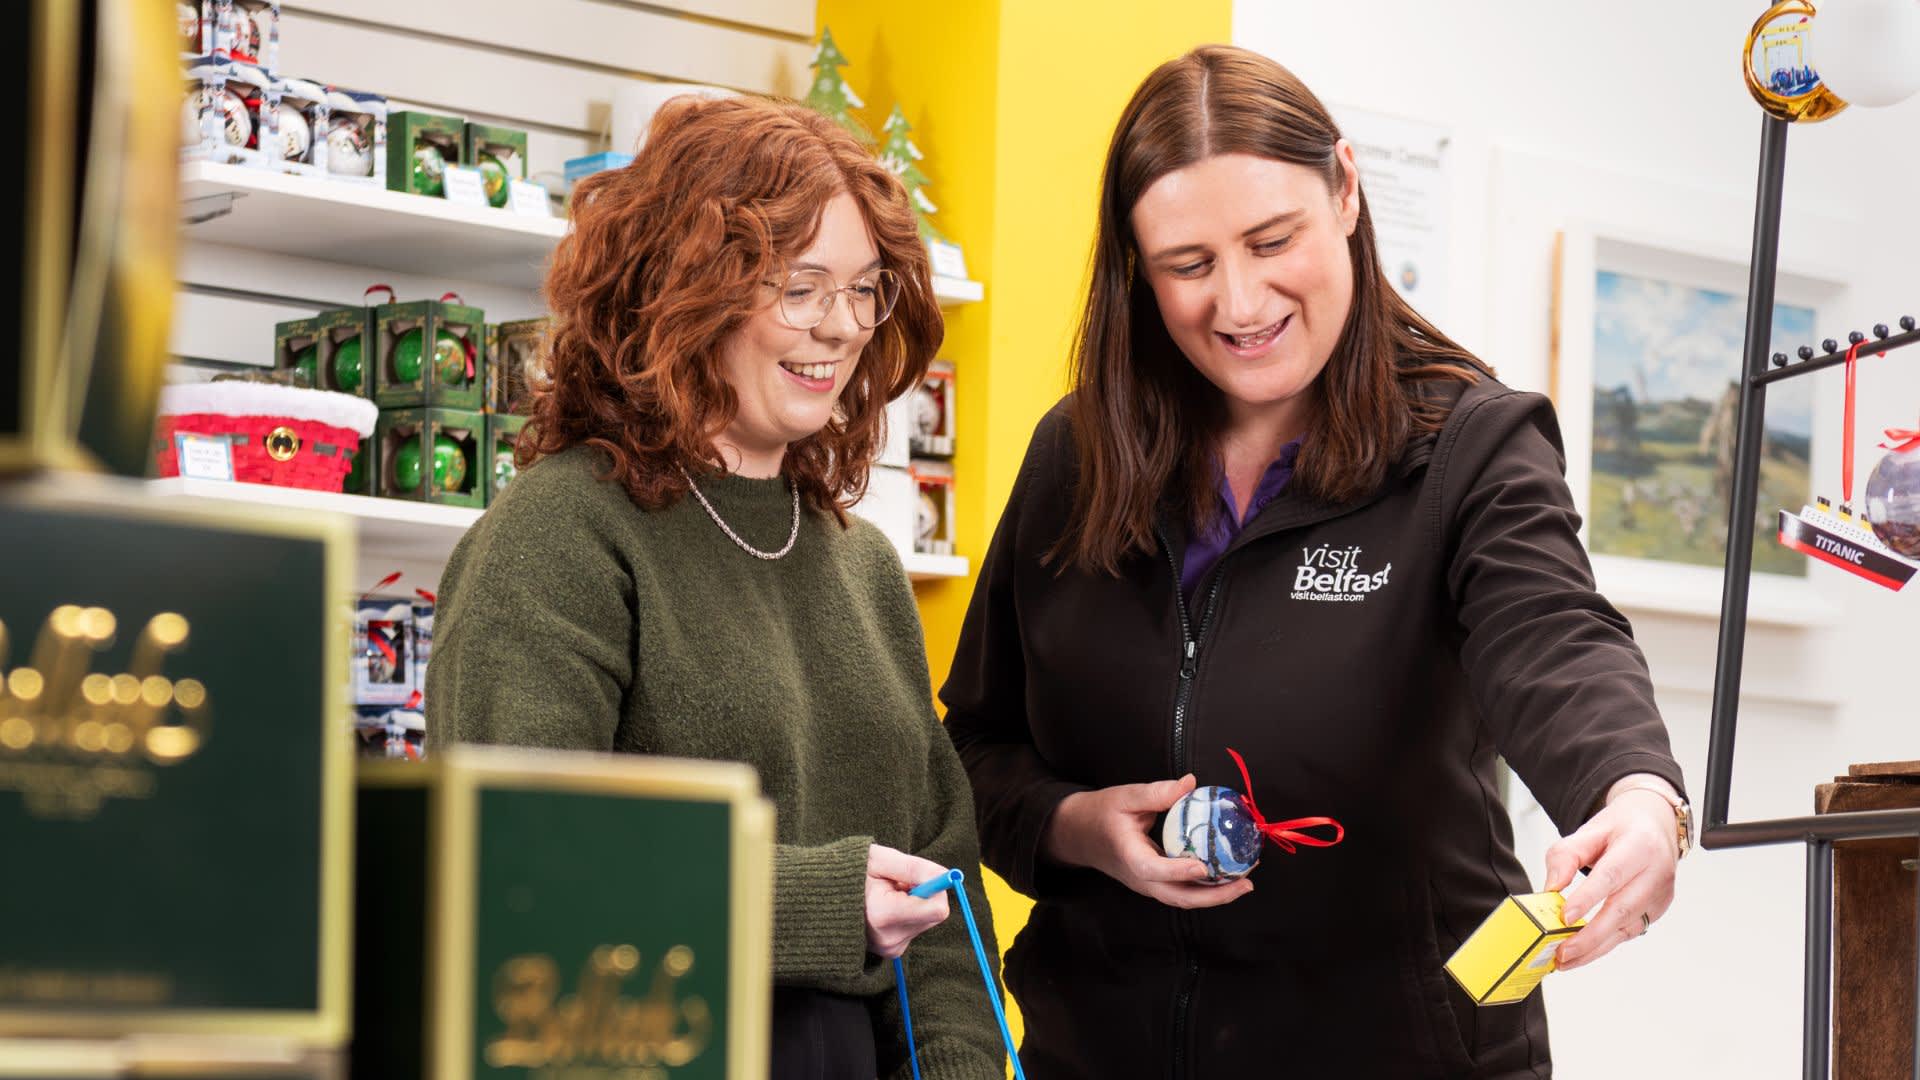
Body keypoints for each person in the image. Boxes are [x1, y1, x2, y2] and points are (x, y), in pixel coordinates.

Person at [942, 46, 1688, 1077]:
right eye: (1189, 266)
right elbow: (976, 750)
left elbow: (1555, 637)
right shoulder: (1077, 455)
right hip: (1098, 1047)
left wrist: (1638, 797)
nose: (1241, 303)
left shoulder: (1470, 447)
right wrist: (1075, 827)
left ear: (1344, 188)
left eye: (1271, 240)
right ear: (1135, 266)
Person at [427, 94, 1005, 1080]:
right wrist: (820, 904)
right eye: (800, 286)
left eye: (865, 289)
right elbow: (516, 867)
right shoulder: (560, 533)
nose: (841, 327)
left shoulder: (862, 563)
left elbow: (943, 914)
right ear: (681, 288)